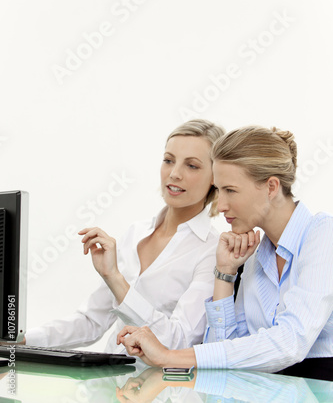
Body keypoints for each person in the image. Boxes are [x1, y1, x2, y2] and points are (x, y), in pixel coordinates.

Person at [118, 125, 333, 381]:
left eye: (230, 190)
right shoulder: (254, 258)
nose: (220, 205)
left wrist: (169, 356)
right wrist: (225, 274)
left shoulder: (323, 236)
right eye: (218, 190)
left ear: (271, 187)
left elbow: (291, 342)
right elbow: (227, 347)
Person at [25, 119, 225, 353]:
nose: (174, 174)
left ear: (215, 176)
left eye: (192, 166)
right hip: (109, 379)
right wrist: (21, 340)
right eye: (168, 160)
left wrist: (115, 278)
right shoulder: (135, 233)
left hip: (160, 386)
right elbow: (91, 322)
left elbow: (179, 340)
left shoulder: (211, 251)